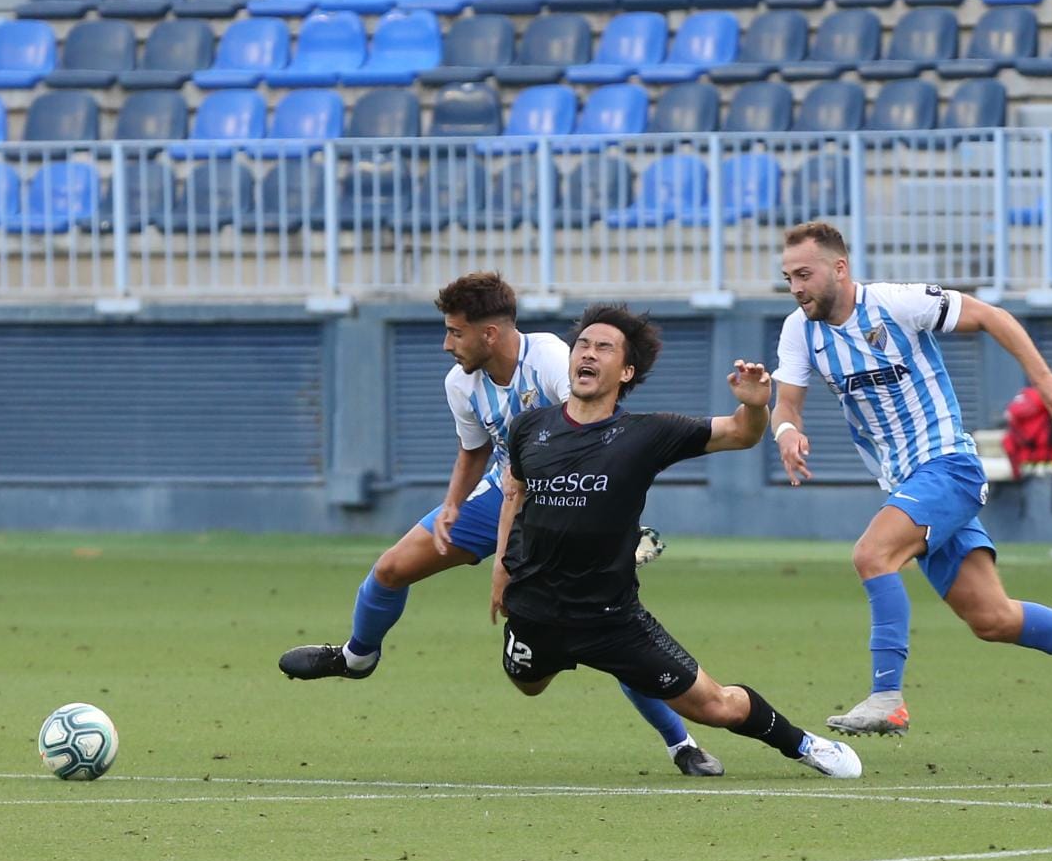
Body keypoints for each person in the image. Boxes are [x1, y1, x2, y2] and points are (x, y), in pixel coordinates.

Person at [279, 272, 724, 777]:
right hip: (499, 497)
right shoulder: (460, 383)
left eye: (455, 332)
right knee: (390, 569)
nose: (448, 344)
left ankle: (680, 743)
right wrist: (451, 505)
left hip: (560, 505)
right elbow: (474, 451)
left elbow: (603, 439)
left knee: (607, 629)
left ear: (488, 334)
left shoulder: (554, 360)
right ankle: (357, 658)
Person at [768, 222, 1052, 739]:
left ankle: (887, 697)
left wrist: (1041, 379)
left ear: (839, 268)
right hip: (904, 482)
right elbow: (786, 404)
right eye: (788, 277)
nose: (796, 287)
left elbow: (991, 316)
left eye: (804, 274)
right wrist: (788, 432)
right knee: (992, 618)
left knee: (871, 555)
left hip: (948, 465)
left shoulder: (897, 304)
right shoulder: (800, 330)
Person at [491, 304, 862, 781]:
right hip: (534, 610)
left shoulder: (647, 433)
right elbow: (515, 490)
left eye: (603, 347)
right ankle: (636, 690)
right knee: (528, 686)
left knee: (718, 706)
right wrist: (502, 566)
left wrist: (753, 405)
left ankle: (804, 744)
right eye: (583, 344)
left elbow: (740, 435)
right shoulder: (530, 427)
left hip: (611, 620)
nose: (588, 352)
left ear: (626, 371)